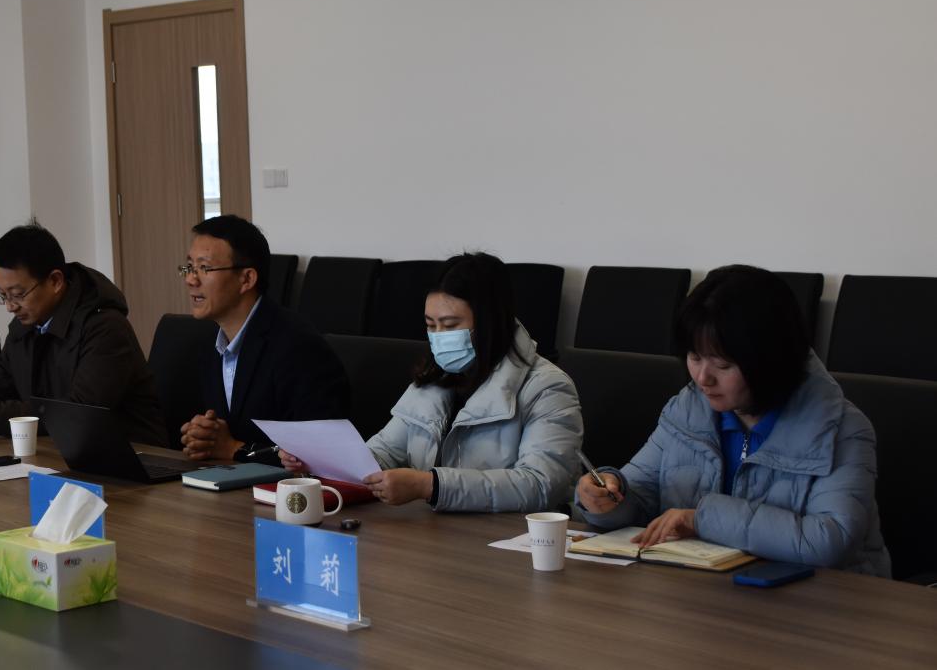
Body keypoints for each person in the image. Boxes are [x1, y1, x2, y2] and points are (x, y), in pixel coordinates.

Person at [576, 265, 890, 577]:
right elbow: (639, 494)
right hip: (705, 590)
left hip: (825, 598)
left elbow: (829, 541)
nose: (702, 378)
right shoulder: (686, 410)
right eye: (694, 357)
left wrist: (701, 519)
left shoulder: (841, 429)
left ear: (770, 361)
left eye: (723, 365)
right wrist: (606, 499)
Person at [284, 252, 582, 512]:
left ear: (490, 322)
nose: (439, 337)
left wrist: (430, 486)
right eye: (431, 325)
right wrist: (319, 459)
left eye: (450, 325)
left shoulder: (547, 387)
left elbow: (540, 485)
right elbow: (382, 454)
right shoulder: (433, 378)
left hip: (511, 540)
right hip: (436, 531)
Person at [0, 223, 167, 446]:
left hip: (132, 458)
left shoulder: (105, 328)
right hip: (56, 452)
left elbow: (80, 413)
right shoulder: (26, 325)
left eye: (17, 294)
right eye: (2, 294)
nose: (10, 306)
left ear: (55, 281)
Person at [178, 215, 350, 463]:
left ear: (247, 279)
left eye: (204, 268)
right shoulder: (208, 343)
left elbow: (320, 455)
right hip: (227, 479)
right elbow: (224, 433)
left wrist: (235, 448)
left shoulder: (298, 347)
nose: (190, 279)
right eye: (189, 267)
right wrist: (202, 435)